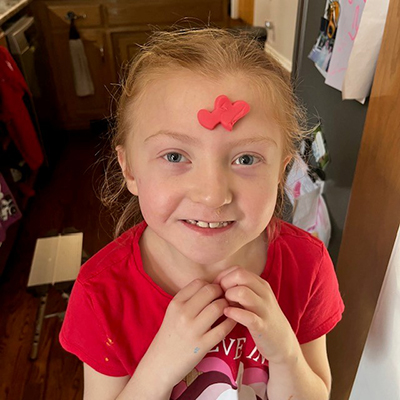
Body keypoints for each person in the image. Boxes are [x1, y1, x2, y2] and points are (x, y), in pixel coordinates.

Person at [59, 27, 344, 400]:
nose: (212, 195)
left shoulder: (307, 266)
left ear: (280, 172)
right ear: (129, 169)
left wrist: (285, 352)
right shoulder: (101, 294)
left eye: (246, 159)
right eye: (175, 156)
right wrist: (160, 365)